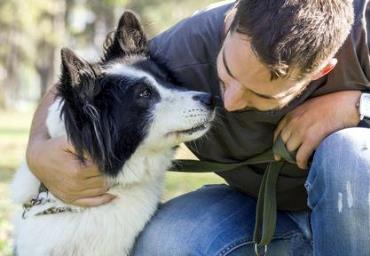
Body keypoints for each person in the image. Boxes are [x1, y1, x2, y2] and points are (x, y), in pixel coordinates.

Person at [26, 0, 370, 255]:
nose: (230, 102)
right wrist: (37, 150)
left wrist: (354, 106)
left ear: (319, 72)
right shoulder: (187, 44)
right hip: (266, 217)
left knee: (349, 154)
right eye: (226, 74)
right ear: (232, 21)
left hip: (359, 214)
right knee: (158, 244)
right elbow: (89, 81)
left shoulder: (363, 29)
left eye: (258, 94)